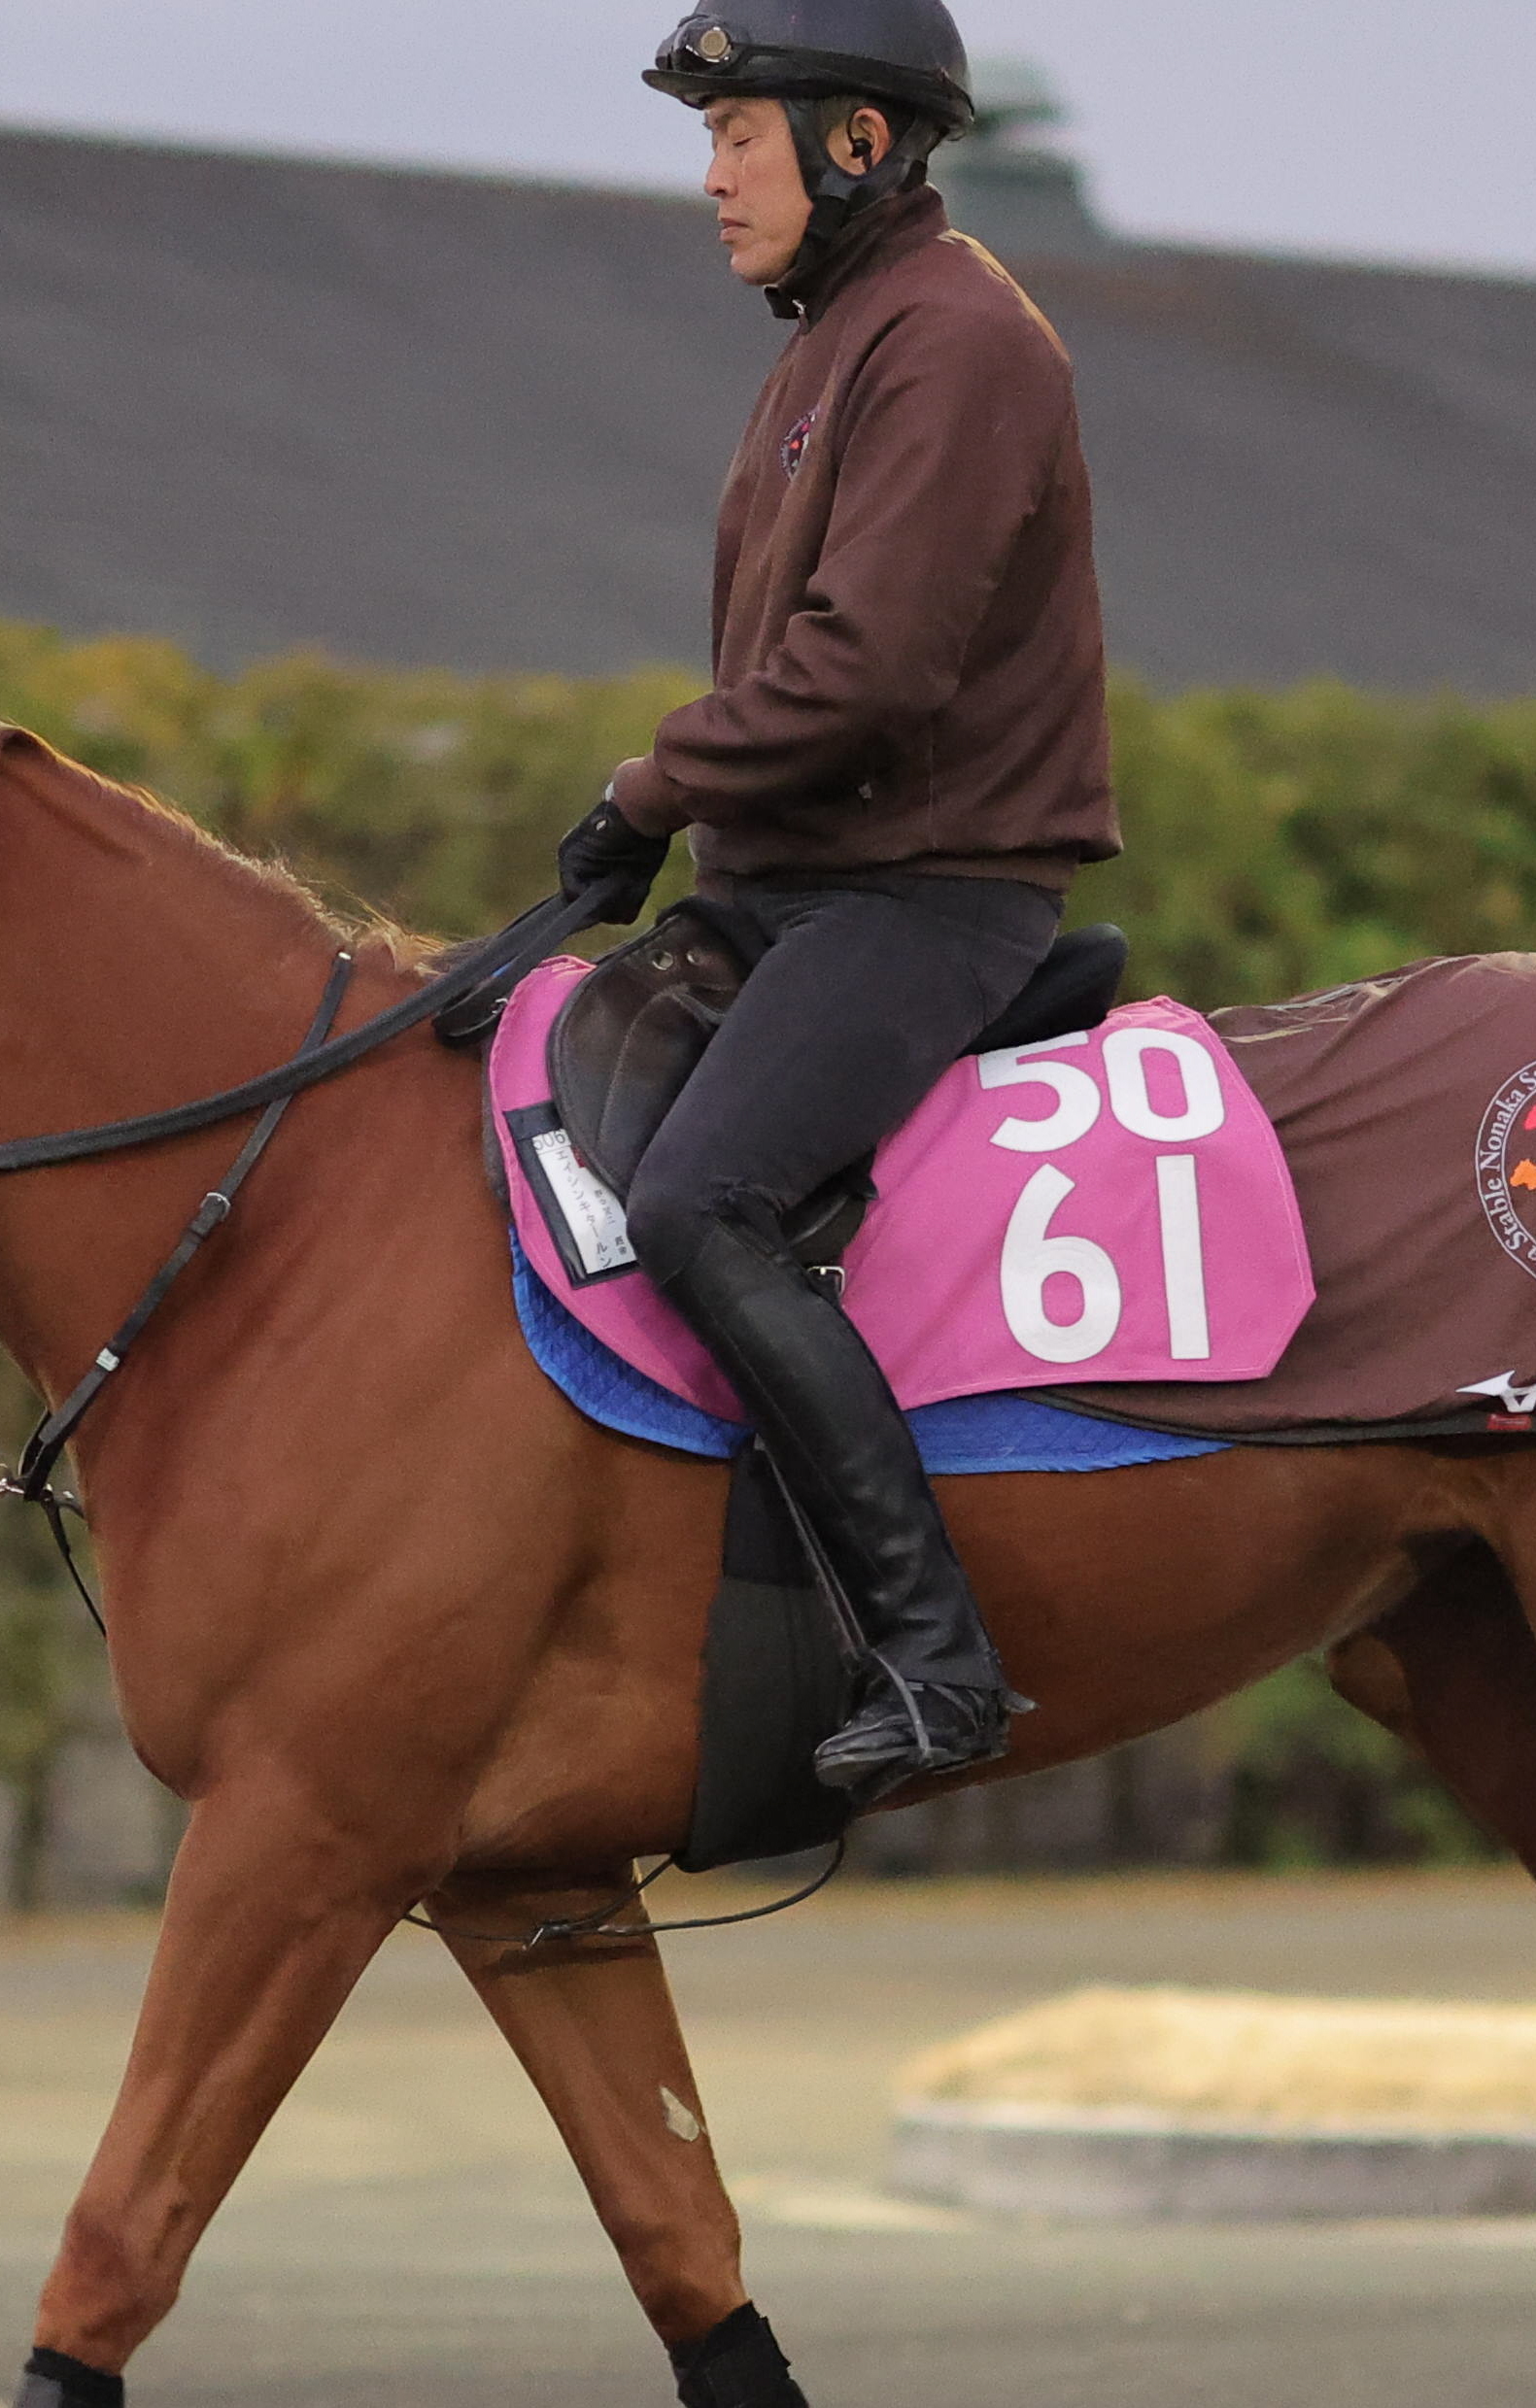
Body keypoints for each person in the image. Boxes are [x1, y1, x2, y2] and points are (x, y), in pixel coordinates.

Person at [556, 0, 1123, 1801]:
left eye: (740, 136)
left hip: (921, 900)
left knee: (703, 1201)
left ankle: (937, 1664)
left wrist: (647, 788)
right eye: (707, 139)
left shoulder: (955, 342)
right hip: (799, 889)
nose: (712, 177)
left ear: (858, 144)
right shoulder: (835, 338)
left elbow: (863, 675)